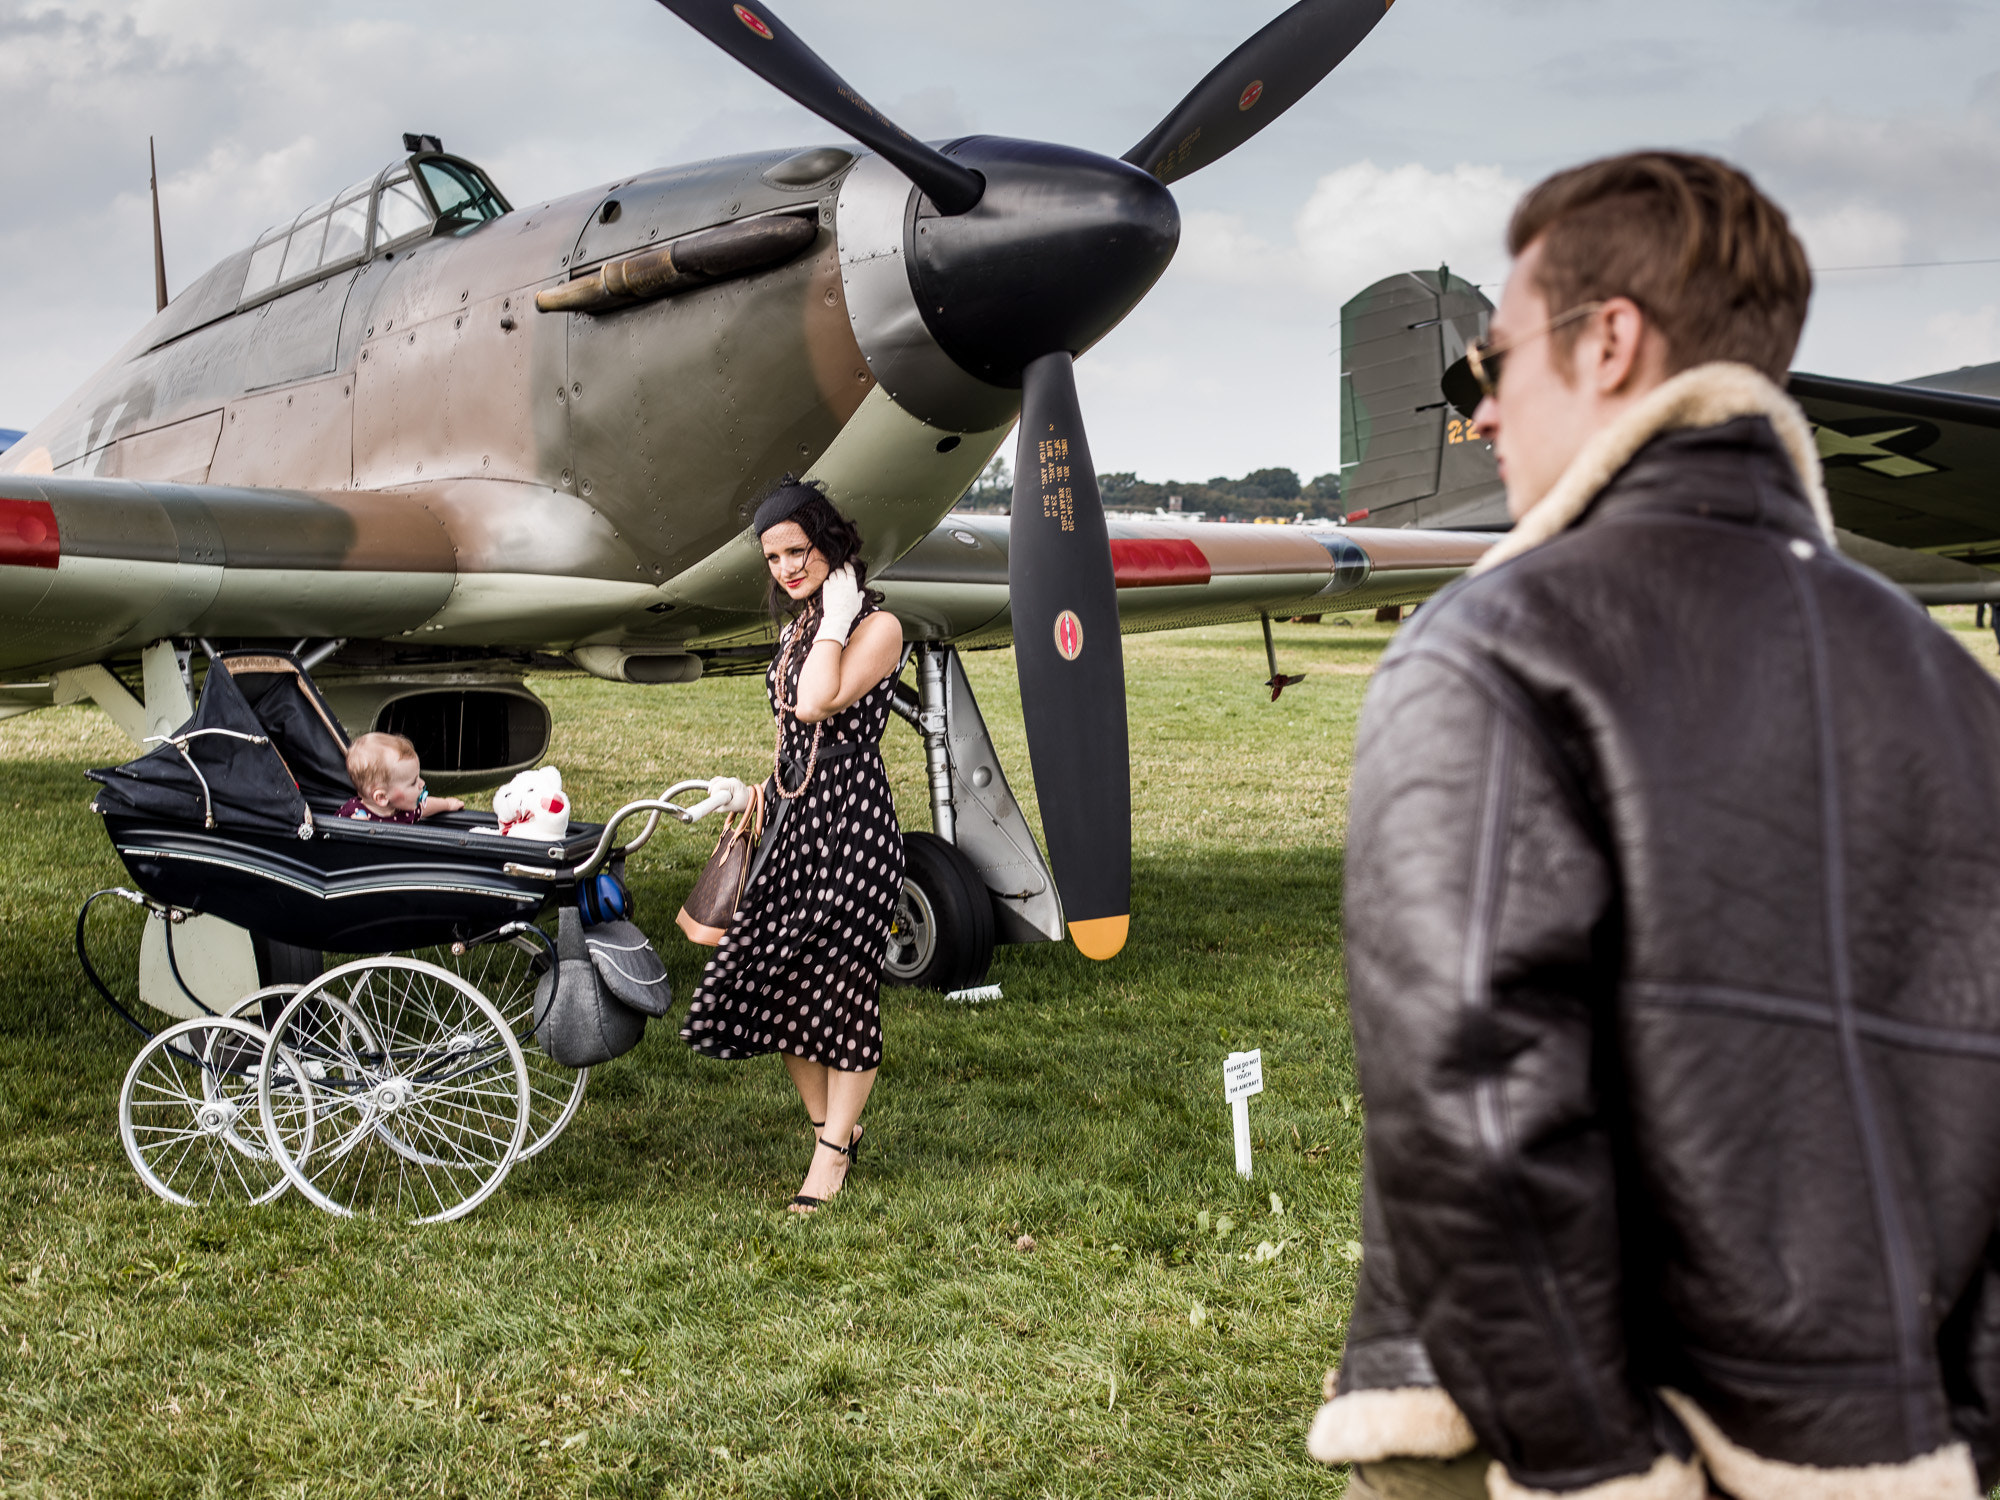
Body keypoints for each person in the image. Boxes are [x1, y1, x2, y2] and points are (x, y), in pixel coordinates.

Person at [1309, 151, 2000, 1500]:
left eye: (1489, 364)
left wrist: (1597, 1467)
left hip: (1556, 1442)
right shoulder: (1958, 691)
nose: (1485, 414)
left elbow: (1471, 1108)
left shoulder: (1488, 647)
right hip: (1894, 1446)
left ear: (1610, 341)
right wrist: (1961, 1435)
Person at [680, 477, 906, 1213]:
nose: (785, 569)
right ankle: (832, 1129)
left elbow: (817, 703)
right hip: (793, 820)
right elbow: (789, 736)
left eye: (797, 551)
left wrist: (837, 618)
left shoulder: (876, 627)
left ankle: (831, 1158)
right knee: (783, 991)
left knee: (842, 993)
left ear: (828, 542)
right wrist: (751, 793)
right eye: (773, 558)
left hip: (854, 828)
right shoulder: (799, 629)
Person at [339, 731, 464, 823]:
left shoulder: (405, 810)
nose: (422, 783)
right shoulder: (352, 814)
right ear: (382, 797)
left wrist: (447, 804)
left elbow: (426, 806)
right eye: (413, 782)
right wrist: (352, 828)